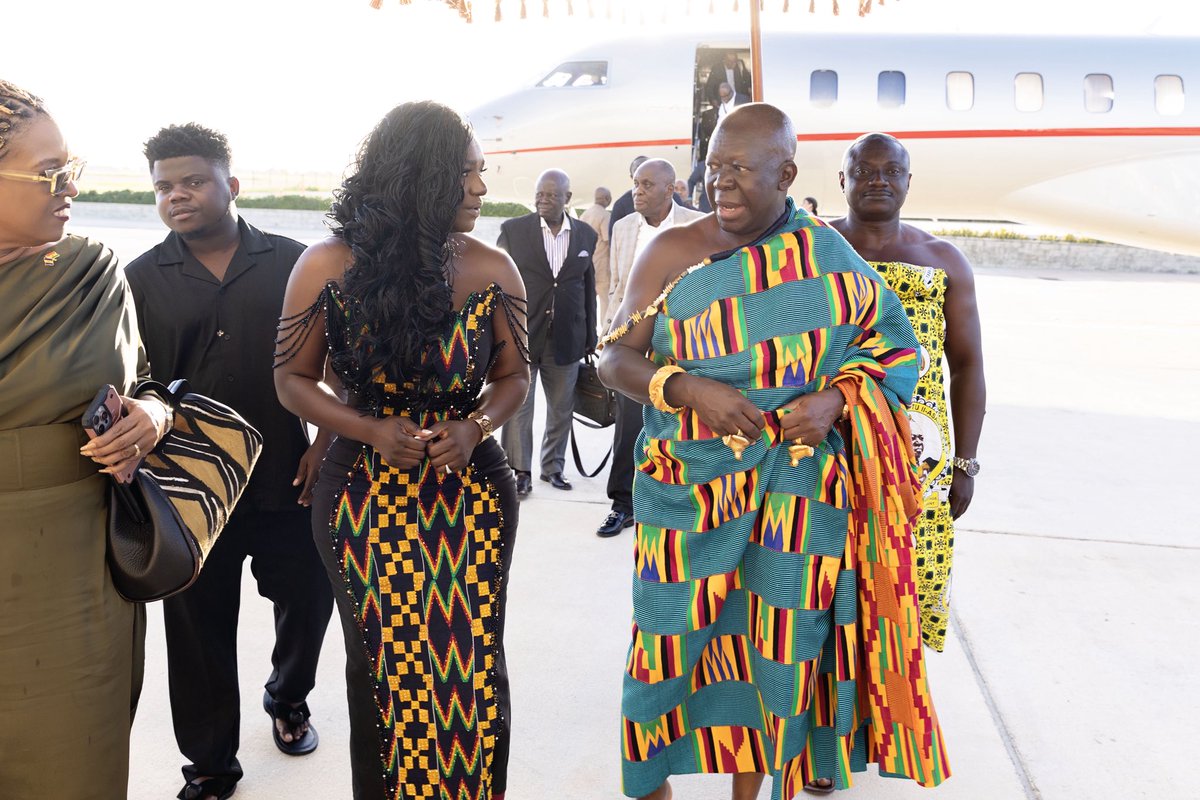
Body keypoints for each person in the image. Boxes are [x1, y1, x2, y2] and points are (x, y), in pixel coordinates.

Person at [598, 104, 949, 800]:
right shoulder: (675, 251)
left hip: (793, 504)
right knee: (662, 657)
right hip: (686, 500)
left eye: (739, 170)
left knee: (775, 660)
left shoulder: (826, 255)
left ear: (786, 173)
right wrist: (686, 388)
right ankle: (650, 787)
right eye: (714, 166)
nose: (720, 183)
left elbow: (896, 350)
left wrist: (837, 401)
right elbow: (613, 358)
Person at [274, 100, 530, 800]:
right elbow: (291, 379)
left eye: (482, 174)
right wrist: (368, 430)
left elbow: (515, 376)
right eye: (467, 174)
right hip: (361, 491)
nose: (480, 188)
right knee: (386, 664)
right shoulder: (326, 264)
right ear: (421, 176)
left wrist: (476, 427)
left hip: (472, 493)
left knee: (471, 660)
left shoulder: (494, 267)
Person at [125, 123, 335, 800]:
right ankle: (211, 766)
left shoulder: (295, 262)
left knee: (308, 603)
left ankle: (288, 697)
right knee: (196, 634)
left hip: (288, 480)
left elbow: (343, 364)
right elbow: (137, 382)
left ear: (230, 185)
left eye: (192, 181)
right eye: (163, 186)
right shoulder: (140, 279)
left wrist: (327, 439)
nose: (177, 196)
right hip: (188, 494)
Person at [0, 79, 172, 799]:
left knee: (74, 771)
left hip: (72, 584)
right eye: (50, 173)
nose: (69, 188)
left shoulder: (91, 271)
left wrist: (152, 419)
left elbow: (149, 381)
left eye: (74, 167)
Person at [830, 131, 986, 654]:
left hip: (918, 459)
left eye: (891, 171)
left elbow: (967, 368)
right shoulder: (813, 250)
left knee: (905, 590)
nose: (878, 180)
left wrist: (964, 464)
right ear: (843, 180)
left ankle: (897, 710)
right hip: (825, 446)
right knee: (827, 585)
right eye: (865, 170)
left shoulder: (942, 260)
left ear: (908, 181)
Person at [597, 159, 704, 539]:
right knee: (627, 427)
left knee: (680, 426)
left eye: (645, 185)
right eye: (634, 184)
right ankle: (622, 505)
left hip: (680, 345)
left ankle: (678, 504)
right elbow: (616, 285)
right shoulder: (623, 226)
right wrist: (607, 335)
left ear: (669, 188)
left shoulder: (695, 224)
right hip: (631, 345)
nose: (636, 192)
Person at [497, 168, 597, 494]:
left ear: (567, 198)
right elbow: (496, 285)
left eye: (551, 195)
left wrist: (590, 336)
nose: (543, 200)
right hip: (522, 338)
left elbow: (587, 286)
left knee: (561, 409)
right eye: (540, 193)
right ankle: (520, 472)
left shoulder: (585, 235)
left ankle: (552, 468)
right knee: (519, 409)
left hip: (567, 340)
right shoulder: (513, 231)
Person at [580, 186, 613, 324]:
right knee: (605, 301)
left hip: (586, 264)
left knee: (588, 300)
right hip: (601, 264)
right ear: (606, 199)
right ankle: (605, 333)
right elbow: (608, 241)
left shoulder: (584, 215)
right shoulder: (605, 215)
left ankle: (589, 331)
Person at [609, 154, 648, 237]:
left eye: (647, 169)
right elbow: (614, 242)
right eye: (638, 170)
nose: (642, 174)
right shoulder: (621, 205)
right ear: (631, 176)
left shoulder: (672, 198)